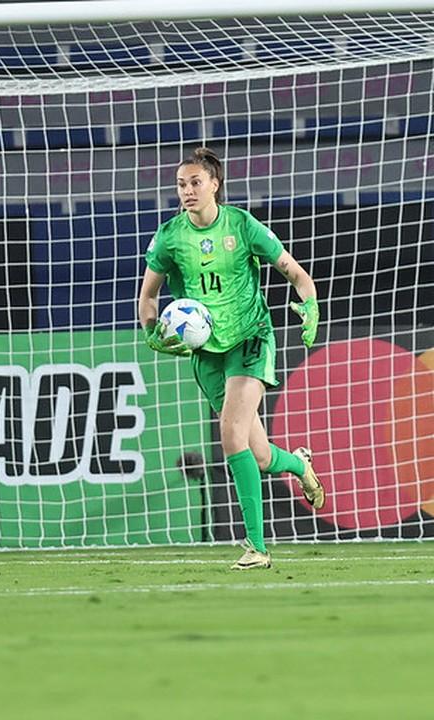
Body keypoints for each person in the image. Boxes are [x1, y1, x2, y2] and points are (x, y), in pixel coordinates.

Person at [138, 147, 325, 570]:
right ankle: (299, 464)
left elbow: (296, 273)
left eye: (195, 182)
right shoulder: (169, 237)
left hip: (249, 338)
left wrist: (309, 307)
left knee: (230, 433)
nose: (187, 191)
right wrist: (153, 333)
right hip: (205, 351)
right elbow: (148, 297)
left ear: (214, 185)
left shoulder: (241, 226)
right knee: (258, 454)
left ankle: (257, 547)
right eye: (181, 184)